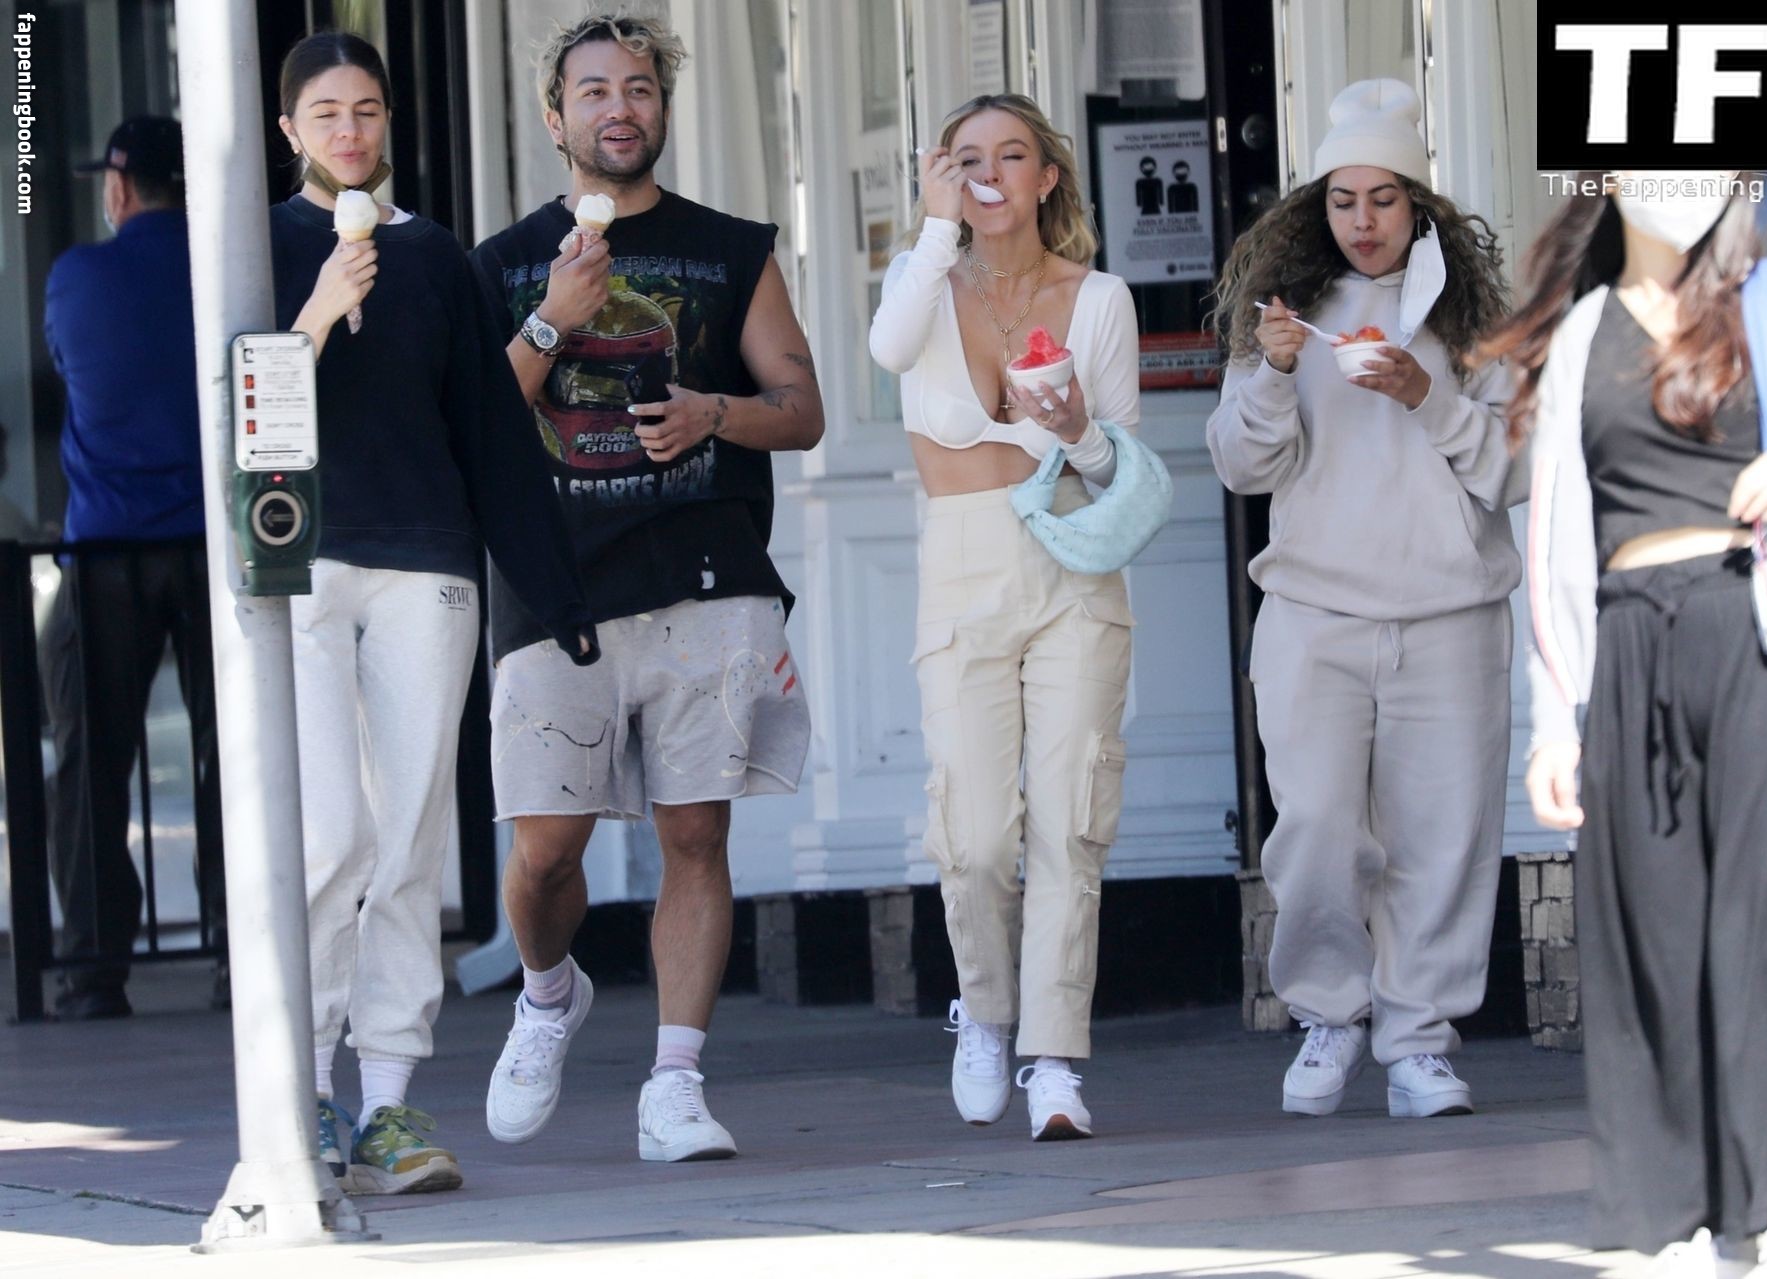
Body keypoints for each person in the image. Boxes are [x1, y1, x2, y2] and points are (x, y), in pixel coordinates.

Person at [1482, 171, 1767, 1277]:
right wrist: (1553, 723)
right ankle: (1674, 1219)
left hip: (1766, 632)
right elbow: (1555, 546)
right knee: (1652, 939)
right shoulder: (1581, 331)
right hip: (1632, 643)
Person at [470, 11, 822, 1164]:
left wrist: (715, 412)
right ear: (555, 115)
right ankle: (547, 992)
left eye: (638, 87)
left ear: (662, 105)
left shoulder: (729, 249)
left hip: (705, 574)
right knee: (545, 853)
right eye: (595, 91)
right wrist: (552, 319)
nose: (619, 108)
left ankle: (676, 1082)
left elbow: (802, 410)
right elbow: (471, 429)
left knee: (696, 834)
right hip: (553, 586)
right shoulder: (499, 265)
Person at [270, 31, 597, 1197]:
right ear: (289, 130)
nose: (349, 131)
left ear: (388, 121)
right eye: (326, 113)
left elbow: (490, 430)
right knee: (328, 836)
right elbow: (235, 407)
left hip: (428, 564)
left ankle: (389, 1103)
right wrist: (317, 310)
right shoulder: (260, 243)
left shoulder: (439, 256)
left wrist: (555, 593)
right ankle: (301, 1088)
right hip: (302, 562)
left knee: (411, 832)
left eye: (366, 110)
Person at [1205, 79, 1517, 1120]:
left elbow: (1516, 468)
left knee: (1445, 839)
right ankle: (1329, 1014)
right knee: (1317, 833)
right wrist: (1272, 375)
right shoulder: (1285, 313)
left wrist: (1428, 397)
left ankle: (1419, 1039)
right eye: (1344, 200)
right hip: (1314, 611)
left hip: (1451, 610)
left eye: (1384, 198)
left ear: (1420, 205)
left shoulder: (1470, 319)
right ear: (1318, 207)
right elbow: (1241, 467)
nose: (1364, 221)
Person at [870, 92, 1140, 1141]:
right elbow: (890, 350)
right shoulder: (922, 280)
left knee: (1072, 819)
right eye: (967, 158)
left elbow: (1115, 471)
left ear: (1046, 176)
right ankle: (984, 1011)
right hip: (963, 566)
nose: (989, 174)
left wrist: (1074, 428)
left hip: (1073, 565)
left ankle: (1055, 1057)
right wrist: (935, 229)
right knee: (976, 831)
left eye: (1011, 155)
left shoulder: (1099, 298)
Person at [40, 116, 224, 1022]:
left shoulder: (78, 277)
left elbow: (74, 368)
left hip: (106, 546)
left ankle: (93, 966)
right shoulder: (233, 271)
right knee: (234, 753)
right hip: (216, 547)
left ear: (118, 187)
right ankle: (243, 948)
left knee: (89, 755)